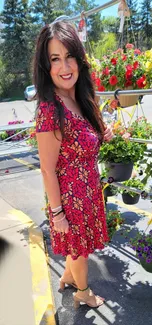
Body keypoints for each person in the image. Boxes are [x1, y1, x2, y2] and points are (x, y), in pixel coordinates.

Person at [34, 21, 113, 309]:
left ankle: (67, 276)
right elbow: (47, 169)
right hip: (69, 200)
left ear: (79, 59)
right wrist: (57, 214)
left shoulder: (78, 97)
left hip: (89, 191)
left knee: (77, 249)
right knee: (79, 251)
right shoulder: (49, 109)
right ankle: (82, 292)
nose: (64, 66)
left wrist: (103, 133)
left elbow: (82, 141)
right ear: (46, 66)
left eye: (69, 56)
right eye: (55, 59)